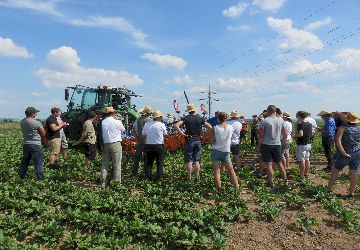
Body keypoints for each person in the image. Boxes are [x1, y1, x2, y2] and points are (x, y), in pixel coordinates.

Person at [174, 104, 212, 180]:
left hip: (189, 140)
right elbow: (210, 127)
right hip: (197, 140)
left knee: (189, 160)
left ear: (188, 111)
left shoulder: (185, 118)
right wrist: (204, 135)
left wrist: (183, 134)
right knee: (197, 160)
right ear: (195, 110)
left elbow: (176, 125)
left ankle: (189, 177)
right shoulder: (200, 118)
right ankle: (197, 177)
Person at [328, 112, 360, 197]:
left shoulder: (343, 128)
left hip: (345, 154)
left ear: (347, 119)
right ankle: (351, 192)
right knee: (354, 171)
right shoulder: (359, 128)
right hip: (357, 153)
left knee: (336, 170)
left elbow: (337, 141)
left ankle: (328, 189)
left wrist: (343, 153)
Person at [258, 105, 288, 188]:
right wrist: (281, 142)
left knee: (269, 165)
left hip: (266, 144)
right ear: (275, 111)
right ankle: (285, 181)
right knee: (279, 163)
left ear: (268, 111)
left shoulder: (264, 121)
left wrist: (259, 146)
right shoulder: (281, 120)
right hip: (277, 144)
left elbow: (261, 135)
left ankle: (271, 183)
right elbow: (285, 134)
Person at [211, 112, 239, 189]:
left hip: (216, 150)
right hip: (226, 151)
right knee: (231, 170)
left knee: (217, 171)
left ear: (218, 118)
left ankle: (219, 189)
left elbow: (213, 140)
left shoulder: (215, 128)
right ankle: (237, 187)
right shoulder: (230, 127)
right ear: (226, 118)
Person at [19, 107, 47, 180]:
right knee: (38, 163)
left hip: (26, 144)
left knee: (25, 162)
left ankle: (21, 177)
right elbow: (43, 134)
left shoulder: (22, 121)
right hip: (36, 145)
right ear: (32, 113)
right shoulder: (36, 122)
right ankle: (41, 180)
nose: (36, 114)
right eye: (35, 113)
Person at [101, 107, 125, 188]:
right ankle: (116, 184)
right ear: (113, 113)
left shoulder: (103, 122)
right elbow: (123, 129)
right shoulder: (117, 122)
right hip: (115, 144)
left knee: (105, 165)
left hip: (106, 144)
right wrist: (120, 121)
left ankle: (103, 183)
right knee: (117, 165)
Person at [142, 111, 167, 181]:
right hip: (159, 145)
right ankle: (159, 178)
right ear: (159, 117)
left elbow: (143, 134)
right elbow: (165, 134)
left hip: (149, 145)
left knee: (148, 163)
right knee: (159, 163)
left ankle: (149, 178)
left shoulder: (147, 124)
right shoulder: (162, 125)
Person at [131, 106, 153, 177]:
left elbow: (134, 131)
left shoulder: (138, 119)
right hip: (148, 141)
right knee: (147, 159)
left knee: (137, 158)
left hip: (140, 141)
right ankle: (147, 175)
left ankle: (134, 174)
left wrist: (138, 137)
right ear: (149, 113)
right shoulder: (150, 120)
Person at [295, 111, 313, 177]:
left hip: (302, 144)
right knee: (307, 159)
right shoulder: (309, 124)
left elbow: (300, 134)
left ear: (300, 116)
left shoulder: (300, 124)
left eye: (297, 116)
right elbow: (311, 135)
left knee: (301, 160)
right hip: (308, 143)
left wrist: (295, 135)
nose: (297, 117)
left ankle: (301, 175)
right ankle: (306, 173)